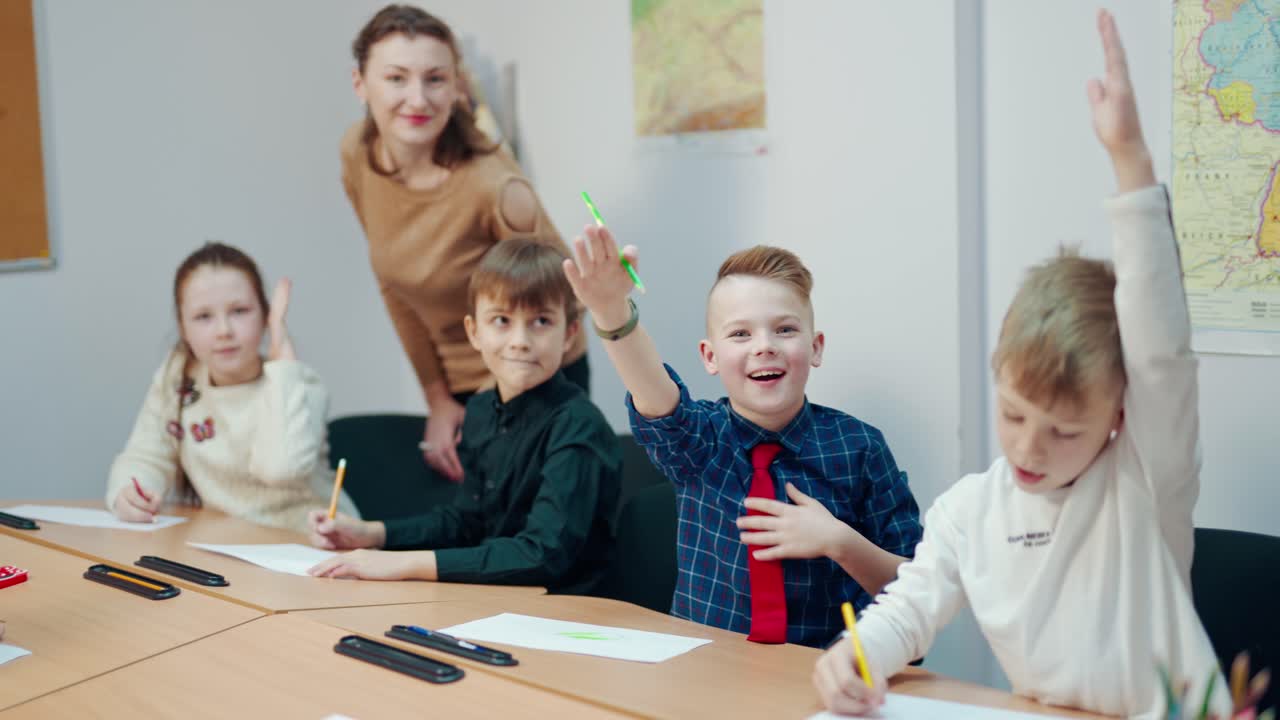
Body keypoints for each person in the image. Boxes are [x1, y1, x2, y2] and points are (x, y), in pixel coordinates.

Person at [811, 11, 1231, 718]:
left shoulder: (1145, 479)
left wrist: (1130, 159)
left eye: (1065, 430)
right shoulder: (969, 512)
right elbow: (908, 608)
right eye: (1012, 414)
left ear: (1119, 415)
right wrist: (858, 655)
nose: (1030, 447)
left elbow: (1161, 350)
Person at [563, 235, 922, 648]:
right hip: (706, 669)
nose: (764, 346)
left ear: (815, 347)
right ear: (709, 356)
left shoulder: (860, 448)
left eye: (785, 329)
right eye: (740, 334)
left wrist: (840, 542)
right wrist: (611, 311)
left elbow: (915, 590)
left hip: (820, 674)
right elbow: (653, 392)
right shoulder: (701, 441)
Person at [342, 4, 588, 483]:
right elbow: (392, 283)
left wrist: (495, 409)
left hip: (532, 375)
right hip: (454, 386)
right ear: (360, 84)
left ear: (456, 85)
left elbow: (567, 294)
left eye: (435, 79)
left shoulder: (492, 186)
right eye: (396, 78)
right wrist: (437, 399)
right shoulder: (357, 154)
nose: (418, 98)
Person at [306, 240, 619, 595]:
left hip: (569, 614)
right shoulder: (481, 410)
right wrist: (374, 534)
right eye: (501, 320)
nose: (519, 340)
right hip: (492, 599)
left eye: (541, 321)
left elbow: (542, 554)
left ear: (570, 334)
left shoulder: (578, 424)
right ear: (474, 332)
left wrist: (404, 563)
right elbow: (468, 521)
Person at [107, 242, 358, 533]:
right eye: (203, 317)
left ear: (265, 317)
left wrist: (283, 363)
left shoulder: (297, 384)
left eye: (239, 311)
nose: (224, 330)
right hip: (227, 543)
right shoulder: (178, 378)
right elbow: (146, 456)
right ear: (183, 327)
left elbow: (280, 469)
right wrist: (131, 492)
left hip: (311, 547)